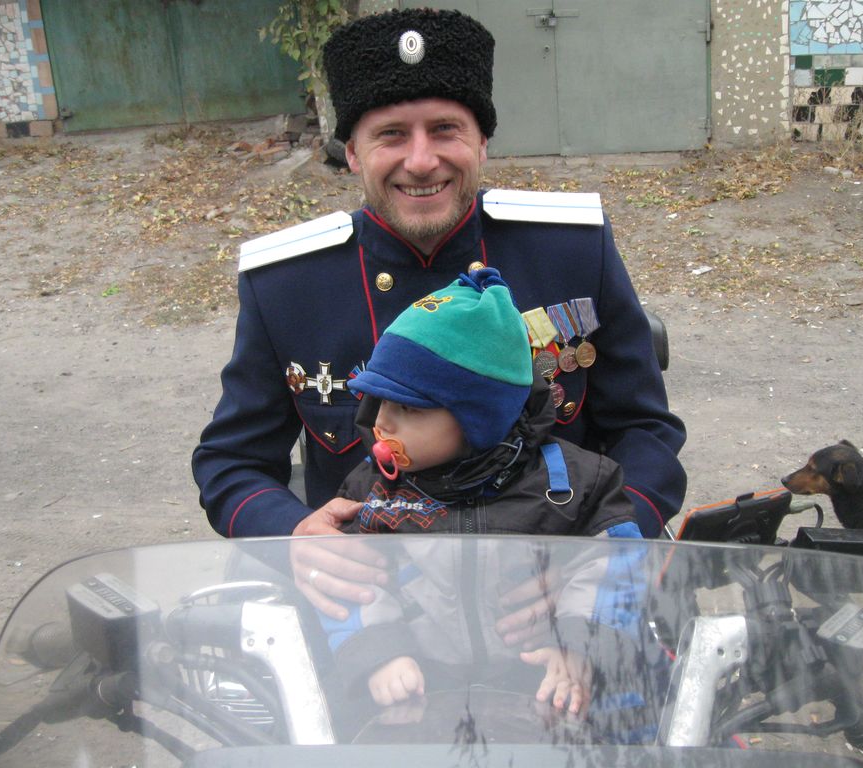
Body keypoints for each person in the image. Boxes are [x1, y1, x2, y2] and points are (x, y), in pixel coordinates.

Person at [192, 8, 685, 569]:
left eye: (445, 129)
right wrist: (297, 535)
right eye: (391, 135)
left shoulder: (569, 250)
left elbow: (645, 432)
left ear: (482, 142)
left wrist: (608, 551)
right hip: (373, 595)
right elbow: (231, 462)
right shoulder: (288, 284)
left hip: (557, 587)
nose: (421, 161)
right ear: (351, 152)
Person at [310, 268, 645, 714]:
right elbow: (350, 582)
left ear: (478, 419)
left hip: (546, 692)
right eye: (381, 401)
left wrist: (581, 645)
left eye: (408, 408)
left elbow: (614, 569)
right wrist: (379, 654)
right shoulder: (373, 490)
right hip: (425, 696)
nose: (382, 422)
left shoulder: (575, 484)